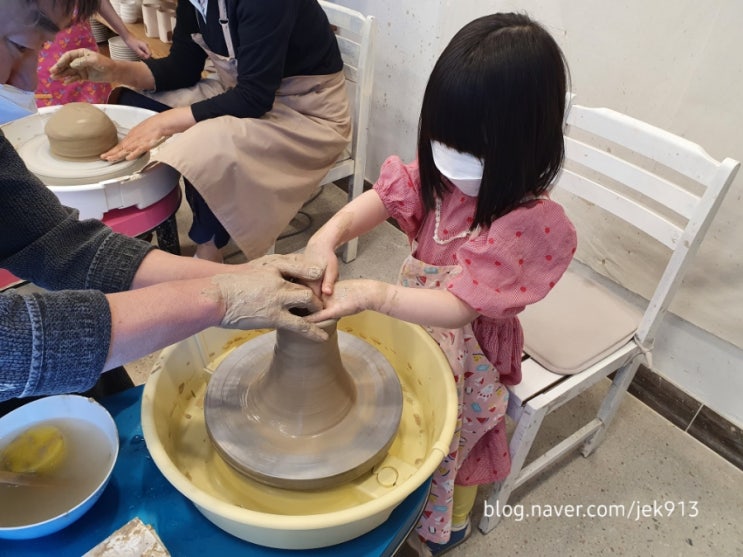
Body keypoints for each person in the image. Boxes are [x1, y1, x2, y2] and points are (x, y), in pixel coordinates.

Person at [304, 13, 578, 556]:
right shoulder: (443, 175)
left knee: (458, 438)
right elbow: (382, 198)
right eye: (440, 138)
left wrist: (375, 295)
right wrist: (326, 235)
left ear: (526, 146)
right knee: (415, 415)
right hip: (418, 322)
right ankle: (419, 503)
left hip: (473, 348)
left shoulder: (529, 222)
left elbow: (459, 308)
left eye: (469, 149)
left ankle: (451, 523)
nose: (448, 158)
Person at [1, 0, 328, 413]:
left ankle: (211, 247)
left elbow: (55, 242)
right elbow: (14, 345)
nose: (30, 82)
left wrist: (234, 278)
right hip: (241, 96)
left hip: (299, 111)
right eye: (20, 45)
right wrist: (218, 298)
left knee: (195, 142)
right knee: (161, 117)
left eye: (37, 47)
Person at [50, 0, 352, 263]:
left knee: (200, 144)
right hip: (241, 89)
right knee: (135, 104)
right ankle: (143, 216)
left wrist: (165, 123)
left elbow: (255, 98)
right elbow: (183, 67)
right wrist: (114, 70)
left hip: (307, 112)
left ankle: (209, 249)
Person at [36, 0, 150, 107]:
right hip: (45, 68)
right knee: (51, 116)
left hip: (86, 62)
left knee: (97, 114)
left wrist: (127, 36)